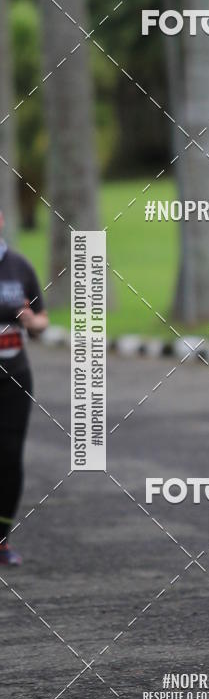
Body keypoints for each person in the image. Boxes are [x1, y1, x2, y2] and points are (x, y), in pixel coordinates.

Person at [0, 209, 48, 565]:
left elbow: (41, 321)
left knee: (10, 456)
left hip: (14, 375)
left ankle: (2, 540)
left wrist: (32, 320)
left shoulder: (19, 266)